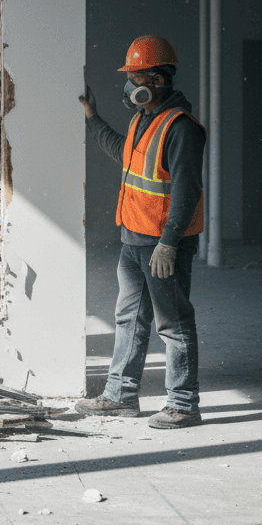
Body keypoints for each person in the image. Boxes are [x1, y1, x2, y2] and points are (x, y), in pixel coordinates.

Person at [76, 35, 207, 429]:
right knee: (129, 319)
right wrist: (92, 119)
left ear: (157, 80)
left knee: (173, 322)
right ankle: (120, 397)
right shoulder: (142, 120)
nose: (129, 84)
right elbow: (123, 152)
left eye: (135, 76)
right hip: (133, 239)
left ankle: (183, 404)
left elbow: (187, 190)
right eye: (130, 76)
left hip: (161, 245)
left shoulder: (182, 128)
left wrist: (169, 243)